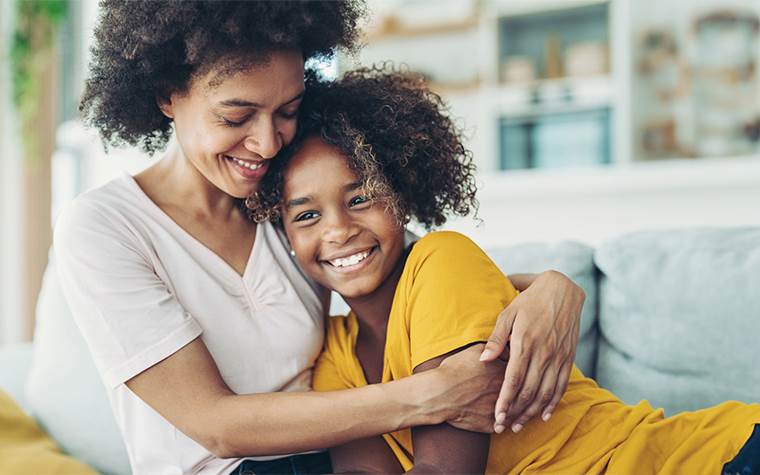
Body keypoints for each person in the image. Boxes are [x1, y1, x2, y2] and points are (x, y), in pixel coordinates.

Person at [55, 2, 585, 474]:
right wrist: (433, 396)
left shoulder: (288, 204)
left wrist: (552, 289)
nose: (266, 143)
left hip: (341, 456)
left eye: (287, 112)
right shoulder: (105, 227)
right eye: (237, 116)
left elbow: (419, 281)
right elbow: (213, 423)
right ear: (168, 95)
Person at [248, 67, 760, 475]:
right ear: (285, 235)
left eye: (360, 198)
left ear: (401, 199)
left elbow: (445, 470)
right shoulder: (335, 353)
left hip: (710, 459)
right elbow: (364, 470)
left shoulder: (442, 261)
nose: (337, 230)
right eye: (307, 215)